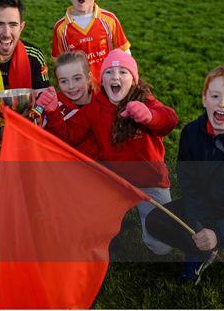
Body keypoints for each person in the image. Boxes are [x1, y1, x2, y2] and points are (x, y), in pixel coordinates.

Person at [145, 65, 224, 293]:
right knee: (157, 220)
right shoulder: (191, 134)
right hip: (210, 206)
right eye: (215, 96)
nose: (222, 103)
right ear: (205, 99)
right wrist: (202, 226)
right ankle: (203, 252)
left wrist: (221, 234)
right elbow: (190, 187)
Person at [40, 49, 177, 255]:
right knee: (90, 229)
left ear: (134, 80)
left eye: (123, 72)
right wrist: (52, 112)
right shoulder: (95, 106)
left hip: (150, 180)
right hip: (114, 180)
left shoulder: (144, 100)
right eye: (109, 73)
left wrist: (149, 116)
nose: (116, 77)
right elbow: (69, 136)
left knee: (162, 246)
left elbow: (169, 120)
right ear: (101, 80)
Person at [52, 0, 130, 86]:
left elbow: (125, 53)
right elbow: (60, 62)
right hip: (80, 90)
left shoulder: (109, 20)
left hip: (108, 86)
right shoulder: (61, 28)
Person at [53, 51, 99, 159]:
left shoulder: (102, 103)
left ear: (88, 78)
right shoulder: (54, 106)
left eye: (77, 79)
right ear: (58, 82)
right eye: (64, 81)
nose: (71, 86)